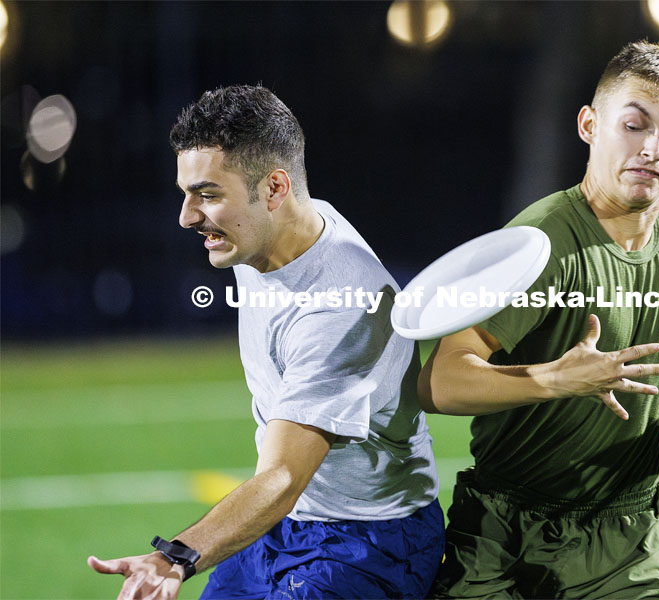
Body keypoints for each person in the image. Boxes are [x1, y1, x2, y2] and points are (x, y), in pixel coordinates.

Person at [419, 41, 659, 599]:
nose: (651, 148)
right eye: (634, 125)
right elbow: (440, 381)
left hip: (626, 540)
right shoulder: (544, 241)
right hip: (502, 534)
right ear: (590, 125)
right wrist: (554, 380)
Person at [87, 85, 444, 600]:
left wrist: (176, 557)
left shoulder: (341, 304)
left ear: (275, 188)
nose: (187, 216)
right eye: (186, 194)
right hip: (288, 522)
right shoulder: (271, 231)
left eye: (208, 195)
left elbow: (280, 476)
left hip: (368, 538)